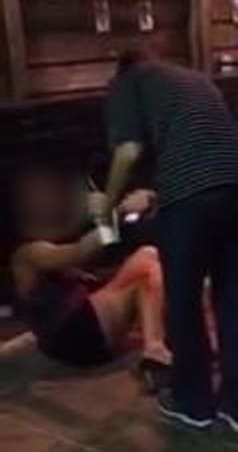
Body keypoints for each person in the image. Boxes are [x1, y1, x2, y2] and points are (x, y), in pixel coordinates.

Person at [103, 49, 238, 435]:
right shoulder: (193, 80)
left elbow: (129, 149)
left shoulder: (127, 82)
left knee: (184, 300)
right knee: (232, 299)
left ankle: (194, 403)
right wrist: (159, 193)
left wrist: (106, 204)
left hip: (191, 196)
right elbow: (202, 144)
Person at [11, 164, 171, 388]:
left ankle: (169, 343)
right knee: (147, 258)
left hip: (79, 336)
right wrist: (117, 214)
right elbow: (77, 253)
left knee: (150, 264)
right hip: (74, 336)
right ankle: (155, 353)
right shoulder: (28, 253)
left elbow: (100, 272)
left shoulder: (59, 241)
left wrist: (142, 204)